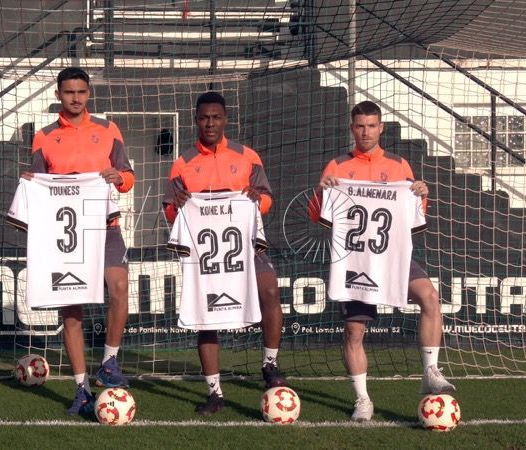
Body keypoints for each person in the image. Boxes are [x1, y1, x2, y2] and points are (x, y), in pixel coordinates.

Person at [310, 100, 456, 422]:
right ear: (352, 128)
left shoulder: (399, 165)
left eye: (371, 126)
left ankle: (430, 371)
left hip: (392, 256)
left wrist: (421, 194)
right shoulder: (337, 166)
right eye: (360, 126)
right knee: (354, 331)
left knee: (430, 297)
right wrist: (321, 192)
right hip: (355, 261)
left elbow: (414, 216)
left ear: (381, 128)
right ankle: (363, 400)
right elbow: (317, 216)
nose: (366, 132)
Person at [163, 91, 288, 415]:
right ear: (195, 120)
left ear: (225, 119)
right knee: (207, 320)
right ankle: (215, 392)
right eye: (204, 118)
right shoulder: (182, 163)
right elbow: (170, 212)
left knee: (270, 290)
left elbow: (267, 200)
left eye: (216, 117)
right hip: (204, 254)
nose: (210, 123)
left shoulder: (247, 156)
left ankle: (270, 364)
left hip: (245, 247)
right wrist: (176, 207)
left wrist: (256, 198)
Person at [20, 67, 134, 415]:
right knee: (72, 313)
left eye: (81, 92)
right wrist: (30, 182)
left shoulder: (108, 129)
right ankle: (81, 389)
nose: (75, 98)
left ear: (89, 94)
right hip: (64, 237)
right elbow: (38, 183)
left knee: (119, 287)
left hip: (105, 226)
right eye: (69, 92)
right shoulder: (43, 137)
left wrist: (119, 177)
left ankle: (109, 362)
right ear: (58, 94)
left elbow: (128, 177)